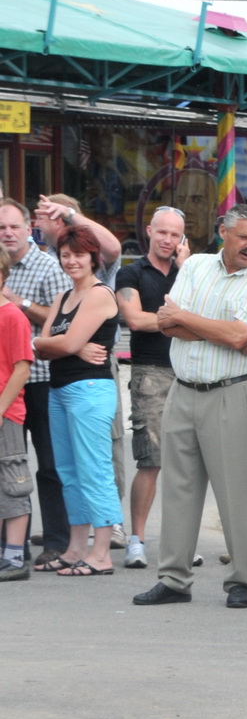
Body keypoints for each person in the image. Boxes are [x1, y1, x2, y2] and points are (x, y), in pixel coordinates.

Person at [132, 206, 247, 609]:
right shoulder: (197, 265)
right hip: (182, 390)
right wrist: (219, 329)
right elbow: (167, 323)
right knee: (179, 488)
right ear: (223, 233)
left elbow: (241, 337)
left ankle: (240, 581)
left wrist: (194, 321)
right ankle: (173, 578)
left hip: (231, 392)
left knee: (236, 489)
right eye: (243, 237)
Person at [32, 226, 123, 575]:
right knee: (68, 473)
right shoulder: (62, 297)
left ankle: (101, 553)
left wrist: (65, 344)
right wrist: (65, 344)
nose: (71, 261)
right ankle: (74, 548)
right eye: (65, 254)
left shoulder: (100, 294)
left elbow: (57, 345)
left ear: (92, 257)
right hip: (59, 390)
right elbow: (41, 347)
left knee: (94, 471)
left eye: (78, 254)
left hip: (89, 392)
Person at [0, 196, 73, 563]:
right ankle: (13, 544)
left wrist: (18, 302)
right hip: (5, 381)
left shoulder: (47, 267)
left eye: (15, 226)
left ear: (29, 228)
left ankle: (57, 541)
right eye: (2, 228)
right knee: (8, 462)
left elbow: (60, 321)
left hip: (41, 378)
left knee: (48, 462)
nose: (8, 233)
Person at [114, 206, 184, 569]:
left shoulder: (186, 272)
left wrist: (186, 269)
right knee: (150, 460)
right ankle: (136, 539)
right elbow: (135, 319)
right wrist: (178, 320)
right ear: (149, 231)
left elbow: (205, 310)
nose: (168, 240)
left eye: (175, 234)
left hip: (187, 373)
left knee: (183, 463)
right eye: (163, 232)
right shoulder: (131, 271)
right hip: (150, 372)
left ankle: (179, 542)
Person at [0, 264, 29, 580]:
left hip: (6, 413)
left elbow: (22, 368)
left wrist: (1, 409)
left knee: (13, 483)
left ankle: (15, 557)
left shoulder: (11, 316)